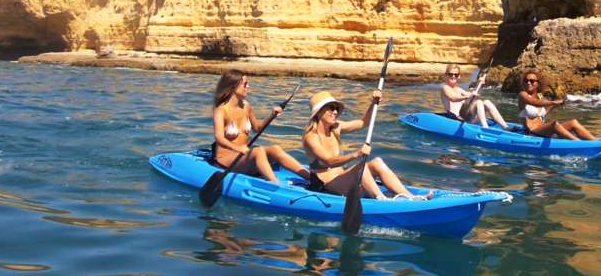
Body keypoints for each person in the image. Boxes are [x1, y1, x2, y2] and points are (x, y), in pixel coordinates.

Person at [302, 90, 432, 200]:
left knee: (377, 162)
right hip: (326, 186)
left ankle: (410, 197)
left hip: (343, 179)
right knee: (361, 168)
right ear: (319, 112)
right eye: (331, 108)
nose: (335, 112)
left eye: (336, 108)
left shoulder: (336, 127)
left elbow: (363, 122)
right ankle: (382, 200)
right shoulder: (311, 137)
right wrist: (356, 154)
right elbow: (329, 161)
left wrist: (373, 103)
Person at [211, 70, 311, 183]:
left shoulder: (246, 106)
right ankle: (275, 184)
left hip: (243, 157)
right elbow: (219, 138)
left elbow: (257, 128)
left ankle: (311, 178)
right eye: (245, 84)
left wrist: (271, 115)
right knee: (258, 151)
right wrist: (238, 148)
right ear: (233, 86)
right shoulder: (221, 110)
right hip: (226, 160)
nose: (248, 87)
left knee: (275, 149)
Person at [517, 70, 596, 140]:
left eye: (532, 81)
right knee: (554, 124)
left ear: (538, 83)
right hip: (532, 132)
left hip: (543, 131)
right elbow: (533, 102)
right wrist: (553, 102)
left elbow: (542, 115)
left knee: (573, 123)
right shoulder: (522, 95)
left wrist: (557, 104)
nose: (528, 83)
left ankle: (595, 142)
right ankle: (578, 144)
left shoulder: (540, 97)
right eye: (526, 81)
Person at [439, 64, 510, 129]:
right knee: (478, 102)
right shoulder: (445, 88)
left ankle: (506, 127)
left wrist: (480, 84)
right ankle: (485, 127)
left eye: (456, 75)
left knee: (486, 102)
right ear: (446, 75)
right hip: (455, 119)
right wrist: (468, 96)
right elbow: (453, 98)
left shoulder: (460, 90)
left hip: (466, 118)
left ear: (459, 76)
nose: (453, 76)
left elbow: (474, 95)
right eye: (450, 74)